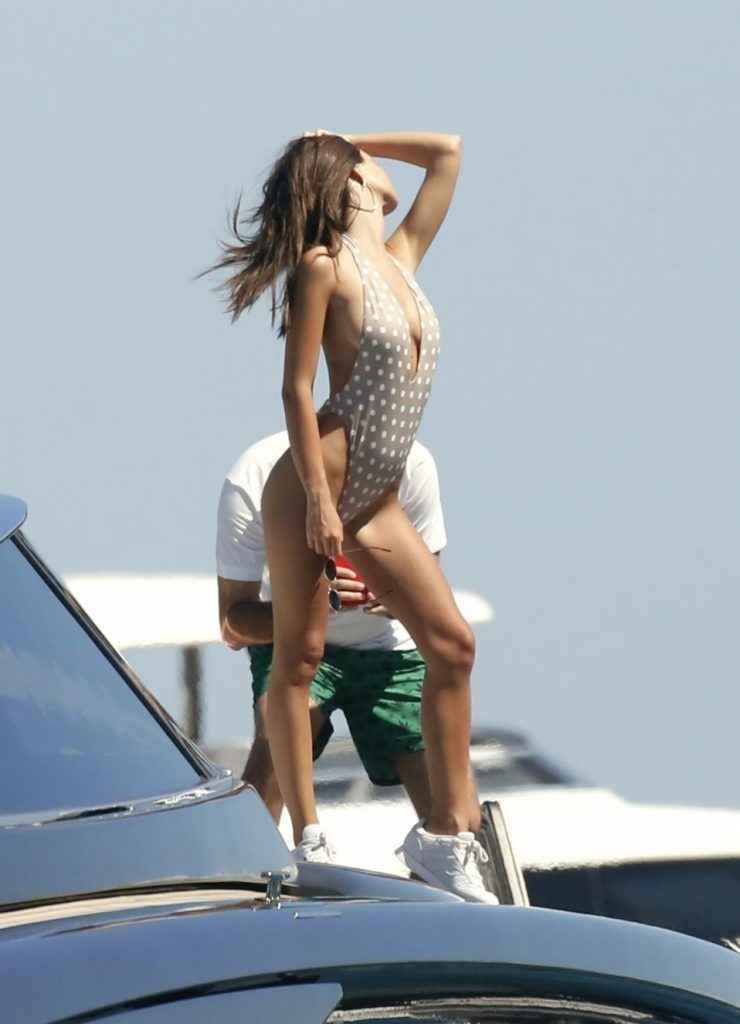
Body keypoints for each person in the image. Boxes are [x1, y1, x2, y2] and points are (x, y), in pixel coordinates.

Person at [205, 129, 495, 903]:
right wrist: (317, 499)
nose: (379, 173)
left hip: (378, 494)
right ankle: (308, 833)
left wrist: (345, 138)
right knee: (299, 657)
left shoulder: (401, 260)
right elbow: (296, 389)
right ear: (349, 184)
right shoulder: (323, 267)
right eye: (363, 164)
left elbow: (447, 152)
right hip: (317, 486)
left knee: (453, 645)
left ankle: (446, 836)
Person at [216, 430, 447, 833]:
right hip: (290, 638)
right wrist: (310, 603)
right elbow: (233, 624)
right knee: (277, 732)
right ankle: (267, 853)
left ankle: (453, 850)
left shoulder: (413, 463)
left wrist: (390, 591)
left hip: (388, 647)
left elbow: (428, 591)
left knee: (442, 784)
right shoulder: (255, 473)